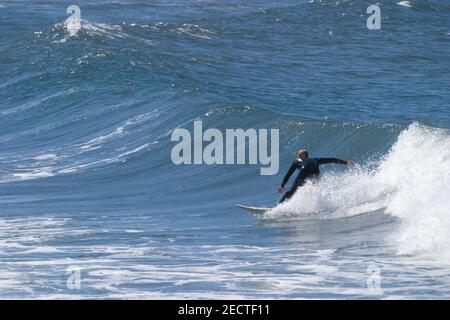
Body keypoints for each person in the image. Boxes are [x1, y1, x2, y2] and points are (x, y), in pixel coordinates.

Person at [278, 149, 355, 204]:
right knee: (314, 188)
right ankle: (316, 206)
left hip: (305, 170)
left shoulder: (297, 160)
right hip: (315, 171)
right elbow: (331, 160)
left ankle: (278, 207)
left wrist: (282, 186)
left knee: (293, 190)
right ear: (307, 156)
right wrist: (345, 162)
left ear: (300, 156)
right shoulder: (315, 159)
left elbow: (288, 174)